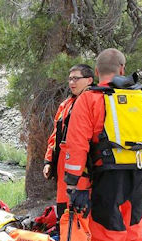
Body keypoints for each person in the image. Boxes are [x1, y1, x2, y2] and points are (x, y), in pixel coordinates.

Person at [63, 48, 142, 241]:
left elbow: (76, 146)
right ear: (122, 69)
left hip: (105, 178)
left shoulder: (90, 99)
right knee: (133, 237)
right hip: (137, 176)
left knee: (108, 240)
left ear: (97, 71)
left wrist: (75, 186)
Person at [43, 64, 94, 224]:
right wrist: (48, 161)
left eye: (76, 78)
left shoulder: (95, 101)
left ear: (89, 80)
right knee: (63, 210)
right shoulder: (65, 105)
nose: (72, 82)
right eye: (70, 79)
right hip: (63, 166)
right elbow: (55, 136)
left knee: (80, 216)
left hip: (84, 168)